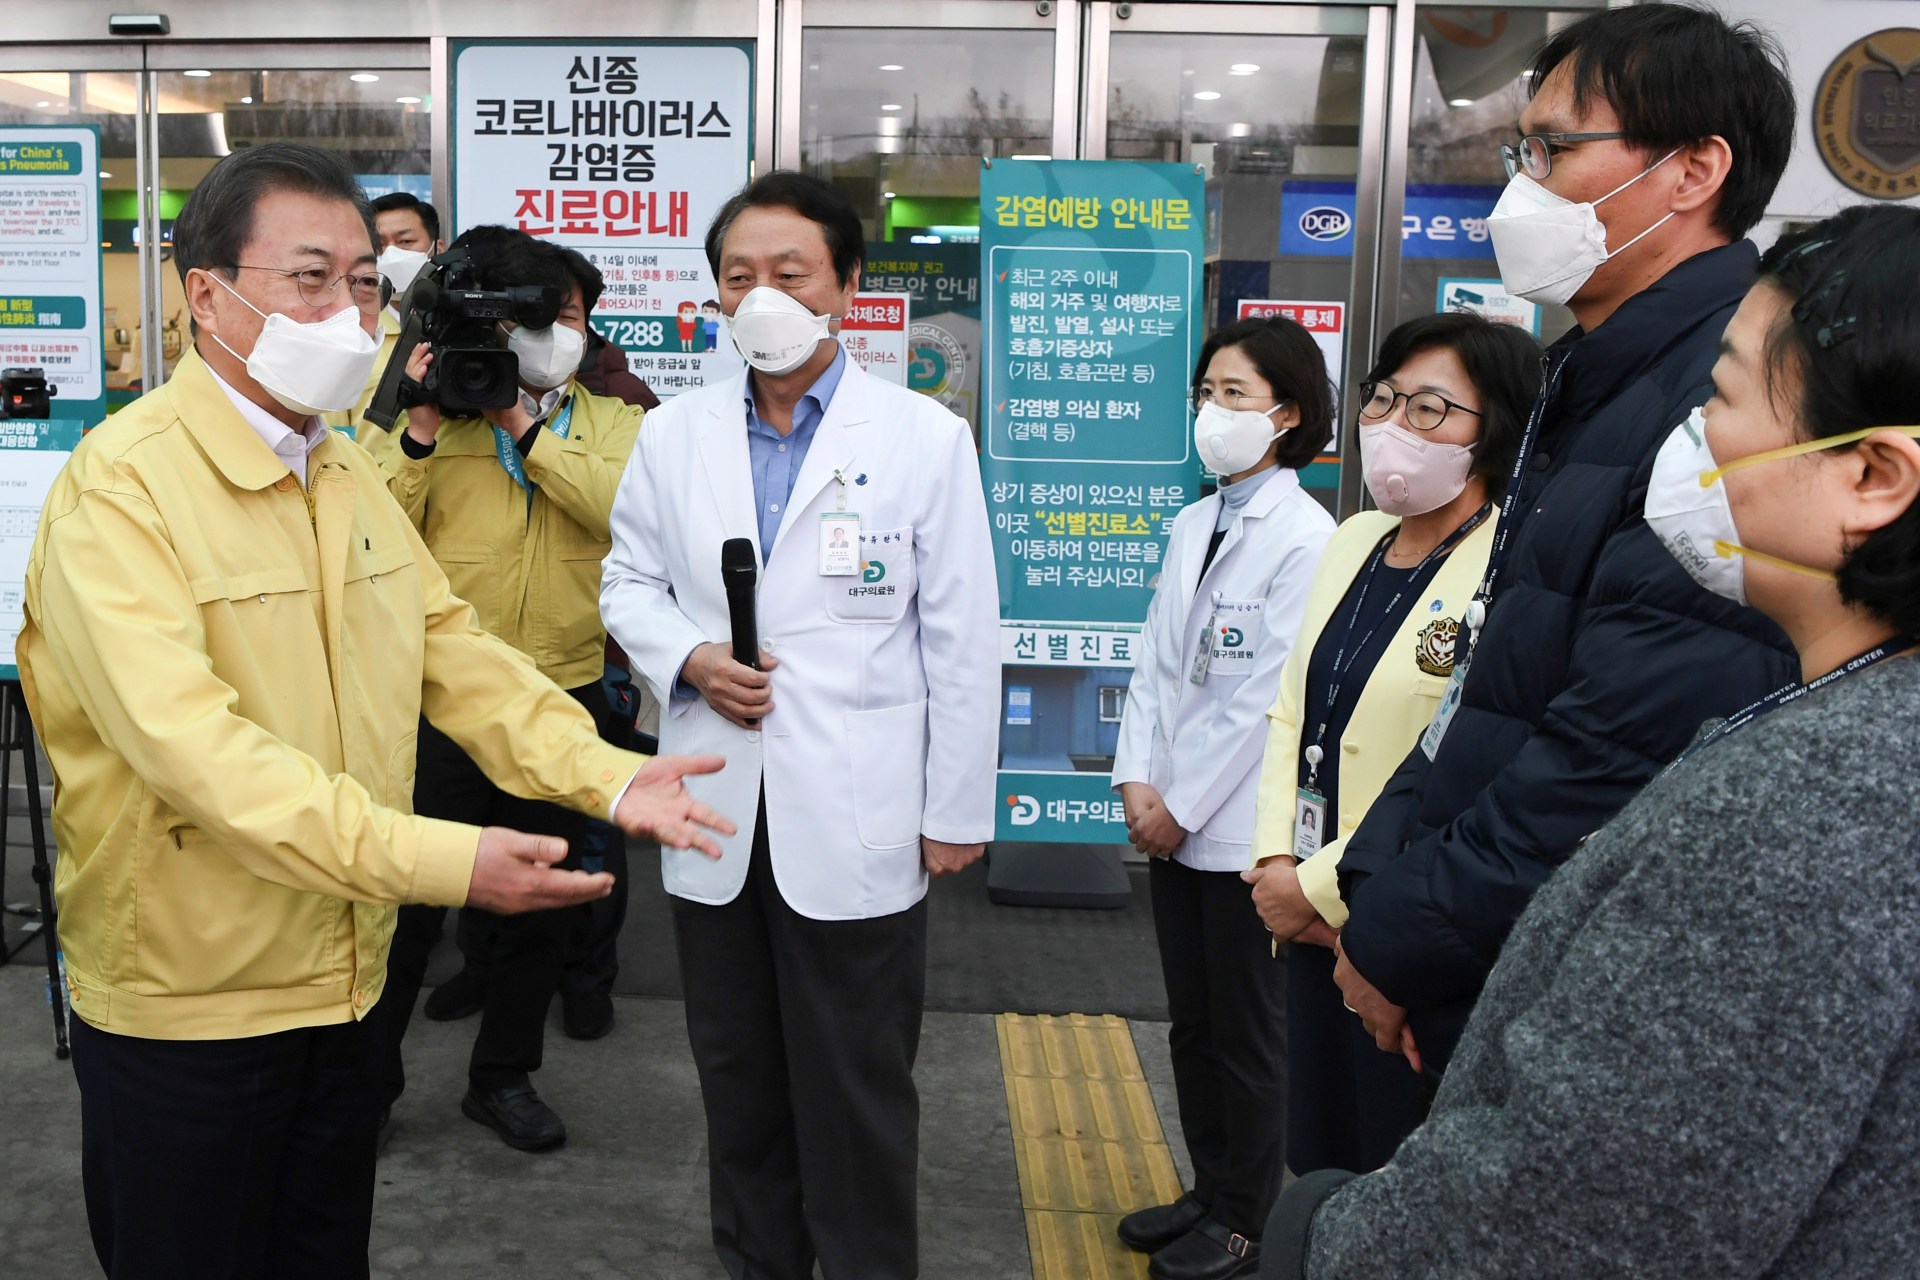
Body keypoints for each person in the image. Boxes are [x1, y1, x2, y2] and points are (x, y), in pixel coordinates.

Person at [14, 141, 730, 1280]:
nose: (348, 311)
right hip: (193, 1005)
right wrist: (450, 862)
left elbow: (455, 647)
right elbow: (201, 758)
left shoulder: (338, 470)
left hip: (342, 982)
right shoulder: (122, 489)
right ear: (209, 296)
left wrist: (604, 770)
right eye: (310, 278)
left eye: (363, 282)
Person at [1265, 201, 1920, 1280]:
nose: (1688, 445)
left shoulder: (1810, 807)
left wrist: (1320, 1237)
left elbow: (1584, 1218)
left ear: (1873, 477)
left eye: (1717, 399)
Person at [1270, 3, 1801, 1082]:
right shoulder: (1590, 374)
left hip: (1552, 981)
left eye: (1554, 148)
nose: (1523, 184)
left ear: (1695, 168)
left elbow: (1609, 753)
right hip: (1470, 944)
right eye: (1524, 148)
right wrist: (1373, 887)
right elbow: (1485, 693)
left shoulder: (1722, 404)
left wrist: (1397, 933)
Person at [601, 170, 998, 1280]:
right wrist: (689, 656)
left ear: (847, 287)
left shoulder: (922, 437)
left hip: (860, 810)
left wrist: (956, 805)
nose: (761, 295)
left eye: (789, 273)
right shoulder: (673, 434)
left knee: (858, 1087)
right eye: (738, 276)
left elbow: (964, 632)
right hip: (719, 804)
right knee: (737, 1083)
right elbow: (626, 580)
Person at [367, 228, 646, 1152]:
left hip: (561, 698)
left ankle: (503, 1078)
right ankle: (367, 1085)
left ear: (586, 328)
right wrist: (416, 423)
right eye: (532, 318)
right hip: (439, 701)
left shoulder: (619, 420)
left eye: (562, 317)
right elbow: (366, 533)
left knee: (543, 907)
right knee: (407, 904)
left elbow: (624, 511)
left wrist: (522, 429)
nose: (547, 334)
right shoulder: (433, 412)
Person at [1243, 313, 1541, 1177]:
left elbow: (1459, 766)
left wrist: (1325, 888)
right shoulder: (1353, 540)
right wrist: (1274, 862)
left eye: (1431, 409)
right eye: (1384, 400)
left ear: (1496, 433)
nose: (1395, 426)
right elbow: (1293, 708)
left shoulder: (1507, 567)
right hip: (1301, 909)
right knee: (1318, 1149)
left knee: (1390, 1156)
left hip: (1392, 918)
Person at [1108, 316, 1337, 1280]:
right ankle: (1206, 1189)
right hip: (1170, 816)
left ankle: (1245, 1220)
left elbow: (1261, 696)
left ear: (1286, 414)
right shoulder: (1193, 520)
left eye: (1235, 395)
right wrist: (1135, 778)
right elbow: (1158, 667)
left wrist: (1182, 802)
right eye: (1207, 392)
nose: (1213, 411)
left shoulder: (1306, 534)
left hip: (1241, 831)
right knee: (1192, 1022)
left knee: (1247, 1033)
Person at [322, 191, 442, 445]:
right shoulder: (349, 333)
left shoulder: (465, 327)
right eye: (379, 246)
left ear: (437, 248)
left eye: (406, 241)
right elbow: (332, 436)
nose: (391, 254)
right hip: (376, 480)